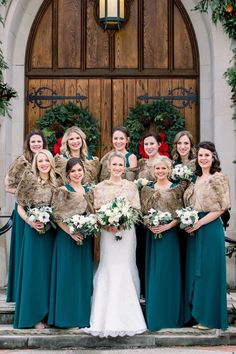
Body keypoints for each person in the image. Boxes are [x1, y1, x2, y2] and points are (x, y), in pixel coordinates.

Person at [83, 152, 147, 337]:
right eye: (115, 165)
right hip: (108, 234)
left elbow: (136, 209)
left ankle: (130, 315)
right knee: (109, 267)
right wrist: (107, 223)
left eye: (121, 165)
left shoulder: (131, 187)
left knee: (126, 267)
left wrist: (122, 221)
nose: (118, 168)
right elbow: (96, 211)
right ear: (108, 167)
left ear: (124, 167)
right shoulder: (100, 187)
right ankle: (103, 316)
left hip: (126, 233)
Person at [183, 141, 230, 330]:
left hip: (210, 229)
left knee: (209, 272)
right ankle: (197, 315)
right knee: (196, 272)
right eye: (200, 155)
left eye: (207, 155)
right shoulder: (194, 180)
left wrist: (200, 223)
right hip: (195, 229)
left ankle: (209, 319)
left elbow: (222, 207)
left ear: (213, 158)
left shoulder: (219, 178)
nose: (203, 159)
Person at [13, 150, 57, 329]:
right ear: (36, 163)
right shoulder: (29, 181)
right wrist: (30, 222)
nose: (44, 163)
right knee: (35, 273)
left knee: (50, 274)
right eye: (40, 161)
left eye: (47, 160)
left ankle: (49, 314)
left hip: (53, 234)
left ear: (51, 162)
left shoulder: (58, 182)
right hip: (34, 233)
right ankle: (34, 316)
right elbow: (20, 208)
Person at [48, 157, 93, 328]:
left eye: (79, 170)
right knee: (66, 276)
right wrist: (71, 231)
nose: (76, 173)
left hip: (84, 238)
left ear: (84, 171)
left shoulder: (89, 190)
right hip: (66, 238)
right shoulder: (62, 190)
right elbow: (57, 216)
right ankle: (64, 318)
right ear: (68, 173)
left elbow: (93, 214)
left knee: (82, 277)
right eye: (73, 171)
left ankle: (81, 317)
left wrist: (87, 228)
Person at [141, 156, 185, 331]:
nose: (160, 171)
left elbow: (179, 213)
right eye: (157, 168)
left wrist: (166, 226)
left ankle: (170, 315)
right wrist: (151, 225)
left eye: (164, 168)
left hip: (170, 236)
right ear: (153, 170)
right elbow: (143, 212)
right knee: (155, 274)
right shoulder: (147, 189)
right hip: (153, 235)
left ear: (169, 170)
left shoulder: (176, 189)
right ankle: (156, 316)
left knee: (169, 273)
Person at [5, 129, 47, 302]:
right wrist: (27, 193)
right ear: (28, 144)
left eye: (39, 141)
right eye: (33, 142)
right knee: (23, 252)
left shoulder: (47, 159)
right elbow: (8, 186)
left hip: (44, 212)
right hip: (25, 210)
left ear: (43, 143)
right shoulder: (21, 162)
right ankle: (19, 291)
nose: (36, 144)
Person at [136, 132, 162, 295]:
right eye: (146, 144)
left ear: (159, 144)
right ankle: (144, 289)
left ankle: (157, 289)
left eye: (152, 143)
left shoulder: (164, 162)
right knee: (141, 250)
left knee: (157, 253)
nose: (149, 147)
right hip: (141, 213)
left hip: (159, 213)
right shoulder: (141, 163)